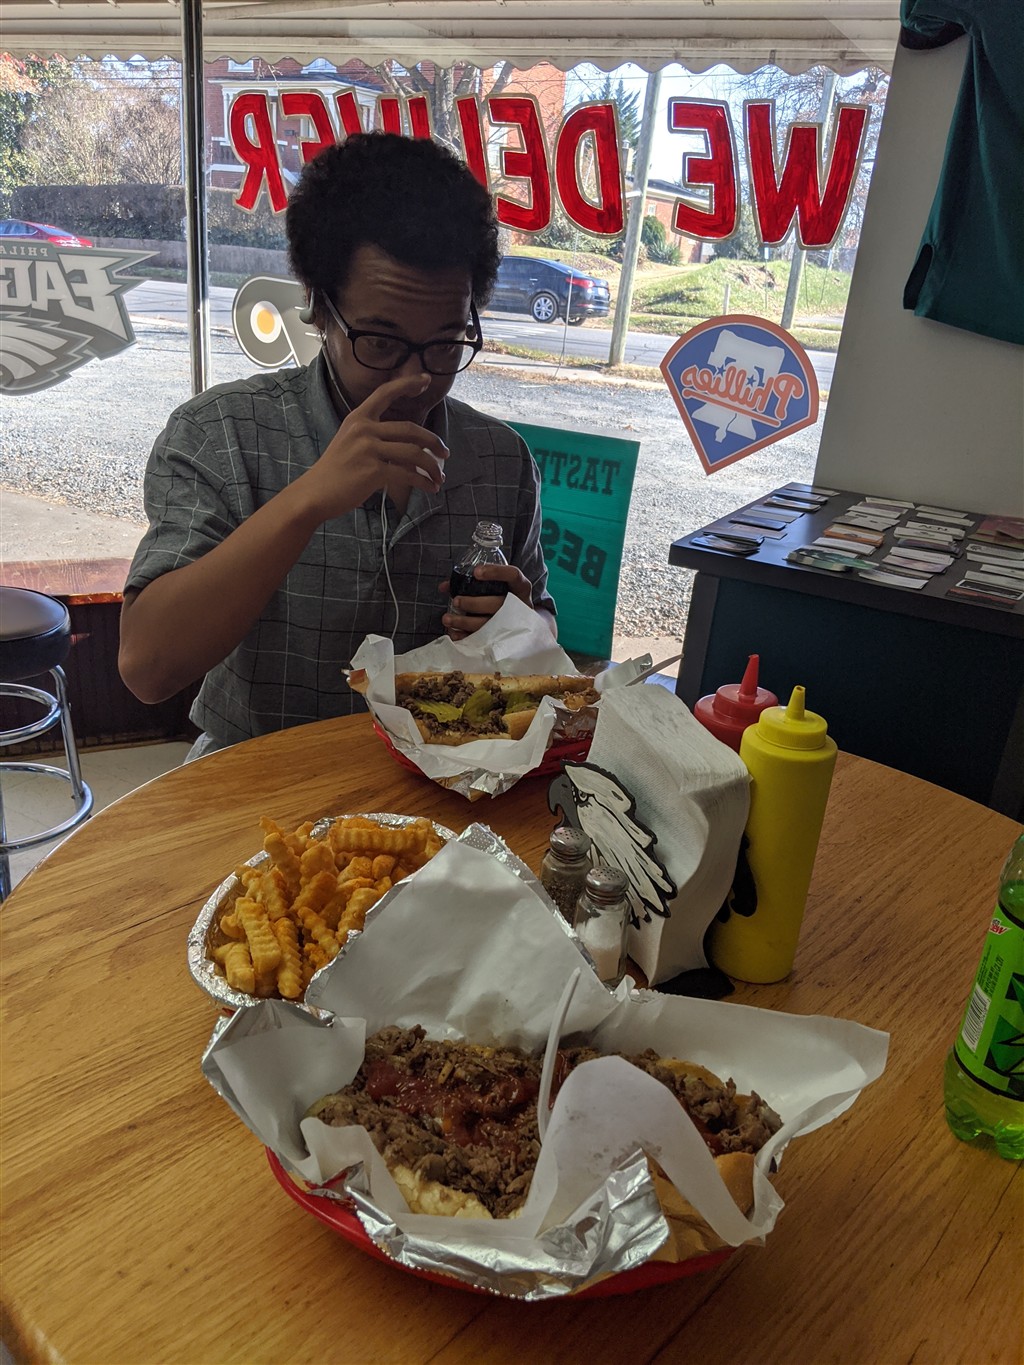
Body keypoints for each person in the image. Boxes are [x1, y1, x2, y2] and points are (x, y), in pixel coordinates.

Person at [119, 131, 556, 758]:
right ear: (318, 308)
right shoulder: (223, 433)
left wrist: (521, 628)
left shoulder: (500, 460)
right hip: (257, 773)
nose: (417, 379)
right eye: (380, 342)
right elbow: (147, 668)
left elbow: (542, 625)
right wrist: (306, 502)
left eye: (446, 343)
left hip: (448, 776)